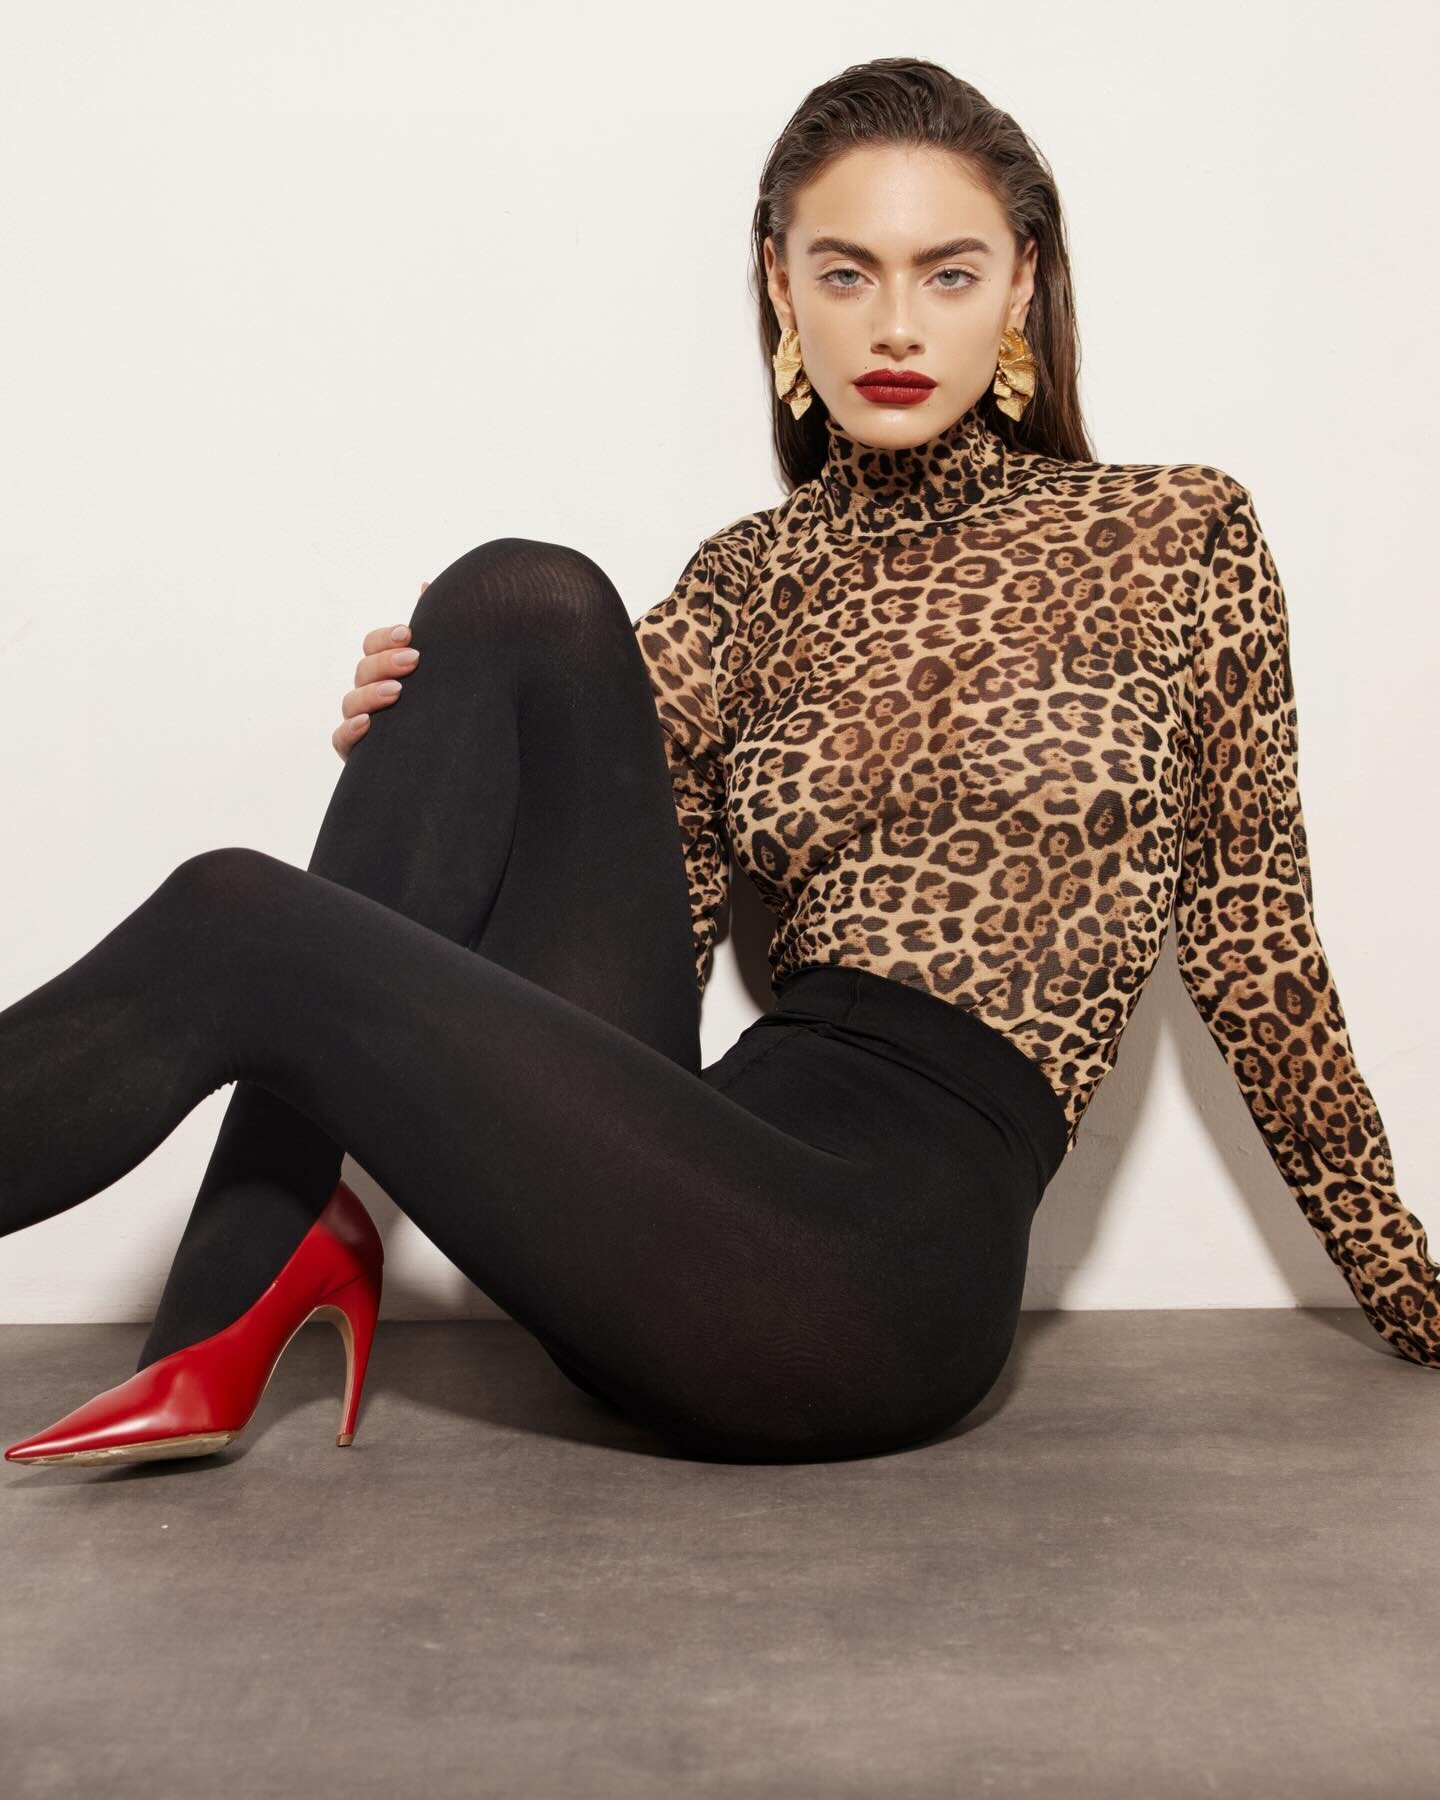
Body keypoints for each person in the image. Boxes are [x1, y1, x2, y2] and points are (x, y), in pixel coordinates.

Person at [4, 58, 1435, 1475]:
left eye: (946, 274)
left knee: (238, 915)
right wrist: (427, 717)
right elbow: (629, 952)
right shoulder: (747, 583)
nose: (893, 324)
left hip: (872, 1261)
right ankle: (230, 1305)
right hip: (692, 1195)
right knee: (511, 601)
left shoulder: (1175, 536)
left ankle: (239, 1292)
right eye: (845, 272)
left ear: (1023, 287)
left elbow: (1257, 949)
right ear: (779, 284)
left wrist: (1407, 1286)